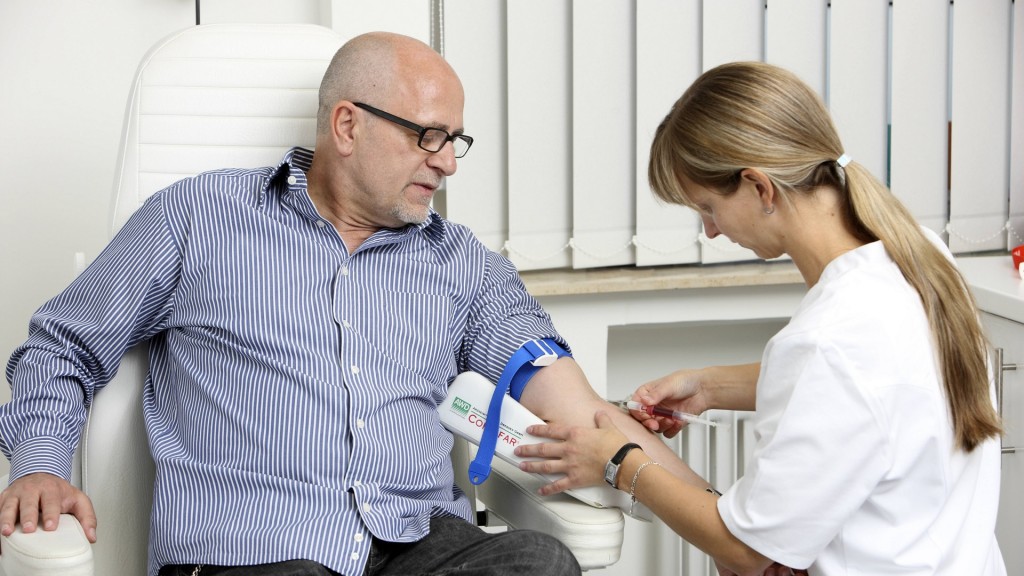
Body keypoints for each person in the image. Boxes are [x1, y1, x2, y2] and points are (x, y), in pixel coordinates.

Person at [0, 32, 688, 576]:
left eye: (456, 141)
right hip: (256, 550)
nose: (448, 162)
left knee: (539, 562)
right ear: (348, 125)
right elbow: (63, 346)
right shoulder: (197, 216)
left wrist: (722, 519)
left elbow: (581, 411)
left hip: (418, 548)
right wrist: (39, 466)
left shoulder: (464, 265)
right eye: (429, 136)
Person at [516, 61, 1007, 576]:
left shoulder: (830, 340)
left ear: (759, 187)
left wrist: (620, 462)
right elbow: (871, 388)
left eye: (708, 208)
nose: (709, 231)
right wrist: (707, 386)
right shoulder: (918, 257)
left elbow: (747, 553)